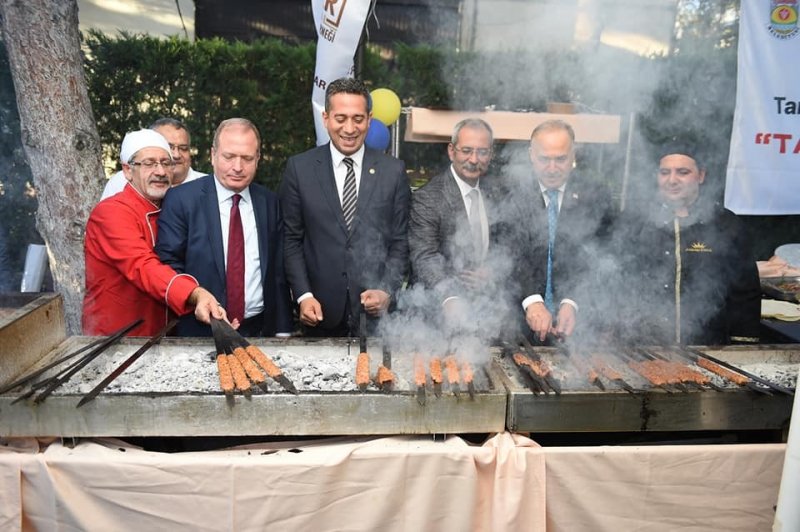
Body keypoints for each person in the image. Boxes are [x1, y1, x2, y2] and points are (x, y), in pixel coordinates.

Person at [280, 77, 410, 336]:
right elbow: (291, 240)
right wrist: (303, 295)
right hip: (318, 315)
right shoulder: (300, 168)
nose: (349, 128)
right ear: (326, 118)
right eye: (340, 119)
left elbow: (400, 241)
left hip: (376, 320)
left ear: (369, 119)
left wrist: (387, 289)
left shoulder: (393, 171)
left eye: (358, 118)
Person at [155, 118, 292, 337]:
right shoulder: (182, 200)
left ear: (258, 159)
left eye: (247, 158)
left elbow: (278, 272)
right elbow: (168, 264)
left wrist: (283, 329)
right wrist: (195, 298)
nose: (237, 167)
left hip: (259, 331)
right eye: (229, 157)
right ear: (213, 155)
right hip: (199, 330)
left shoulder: (269, 202)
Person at [613, 144, 760, 345]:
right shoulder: (633, 222)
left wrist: (744, 347)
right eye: (665, 172)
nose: (672, 180)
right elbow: (615, 284)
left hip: (709, 349)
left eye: (683, 172)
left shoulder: (726, 224)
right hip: (644, 349)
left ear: (701, 176)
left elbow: (744, 292)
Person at [82, 129, 223, 336]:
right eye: (149, 163)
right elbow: (143, 266)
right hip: (118, 336)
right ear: (128, 170)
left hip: (165, 334)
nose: (160, 171)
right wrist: (195, 293)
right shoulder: (111, 212)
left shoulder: (173, 207)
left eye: (166, 163)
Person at [514, 120, 616, 341]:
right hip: (517, 330)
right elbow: (508, 252)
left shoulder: (596, 196)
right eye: (544, 159)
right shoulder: (509, 192)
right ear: (531, 155)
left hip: (579, 330)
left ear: (573, 155)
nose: (552, 168)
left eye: (560, 159)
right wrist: (532, 301)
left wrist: (572, 301)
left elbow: (599, 257)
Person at [408, 118, 513, 330]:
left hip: (486, 315)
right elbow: (424, 256)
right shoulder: (428, 197)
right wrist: (450, 296)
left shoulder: (498, 192)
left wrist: (493, 270)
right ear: (451, 151)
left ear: (491, 154)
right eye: (466, 150)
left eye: (482, 152)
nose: (474, 159)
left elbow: (508, 245)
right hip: (436, 318)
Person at [101, 118, 204, 200]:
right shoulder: (120, 181)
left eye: (183, 148)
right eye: (169, 147)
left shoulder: (209, 185)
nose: (176, 155)